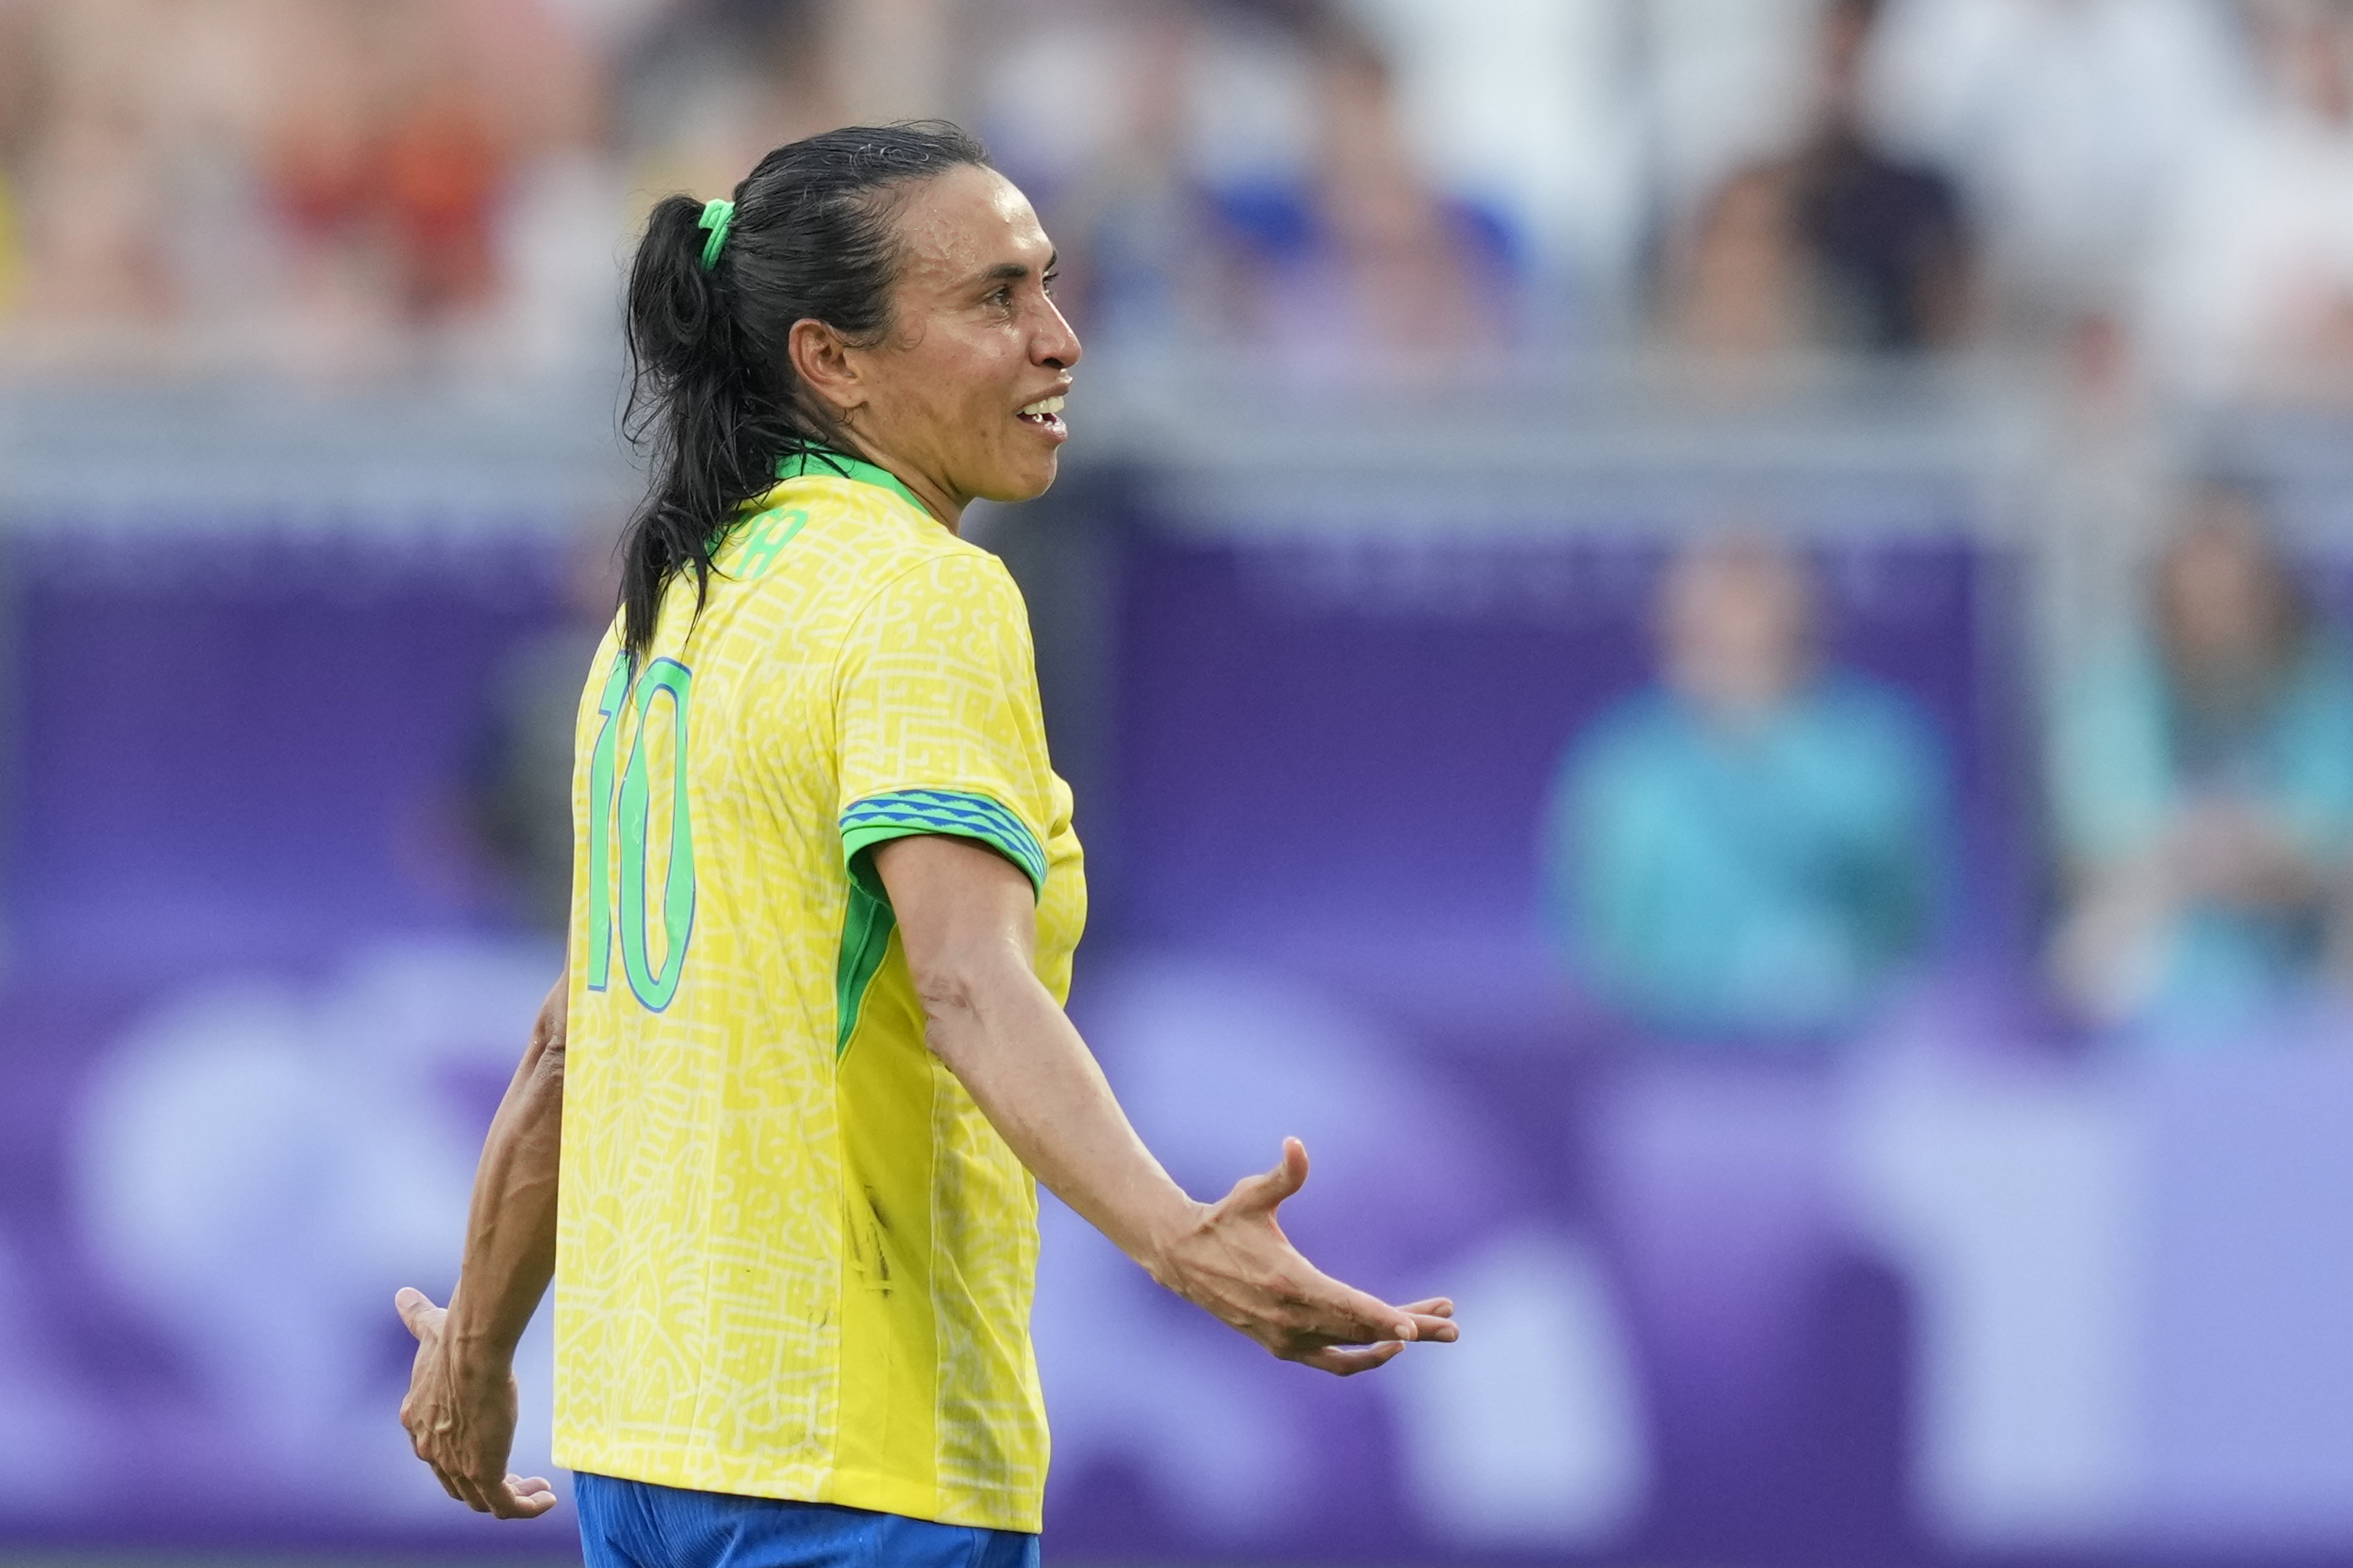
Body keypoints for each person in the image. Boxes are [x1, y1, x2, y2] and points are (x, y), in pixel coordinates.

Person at [390, 123, 1455, 1566]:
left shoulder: (667, 615)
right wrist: (1177, 1238)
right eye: (996, 299)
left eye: (1049, 287)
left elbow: (570, 1044)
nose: (1061, 340)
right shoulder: (921, 594)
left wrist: (482, 1351)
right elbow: (965, 987)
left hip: (647, 1454)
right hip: (853, 1455)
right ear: (833, 360)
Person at [1544, 532, 1948, 1041]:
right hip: (1672, 1060)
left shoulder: (1876, 750)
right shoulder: (1628, 763)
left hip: (1843, 1061)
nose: (1743, 627)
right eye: (1720, 611)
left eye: (1758, 602)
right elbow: (1598, 948)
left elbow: (1907, 925)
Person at [2049, 486, 2353, 1036]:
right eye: (2200, 589)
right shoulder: (2117, 686)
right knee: (2094, 941)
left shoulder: (2322, 683)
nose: (2219, 605)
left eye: (2238, 588)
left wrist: (2234, 847)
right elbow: (2101, 843)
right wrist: (2228, 849)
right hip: (2167, 928)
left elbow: (2334, 834)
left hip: (2304, 928)